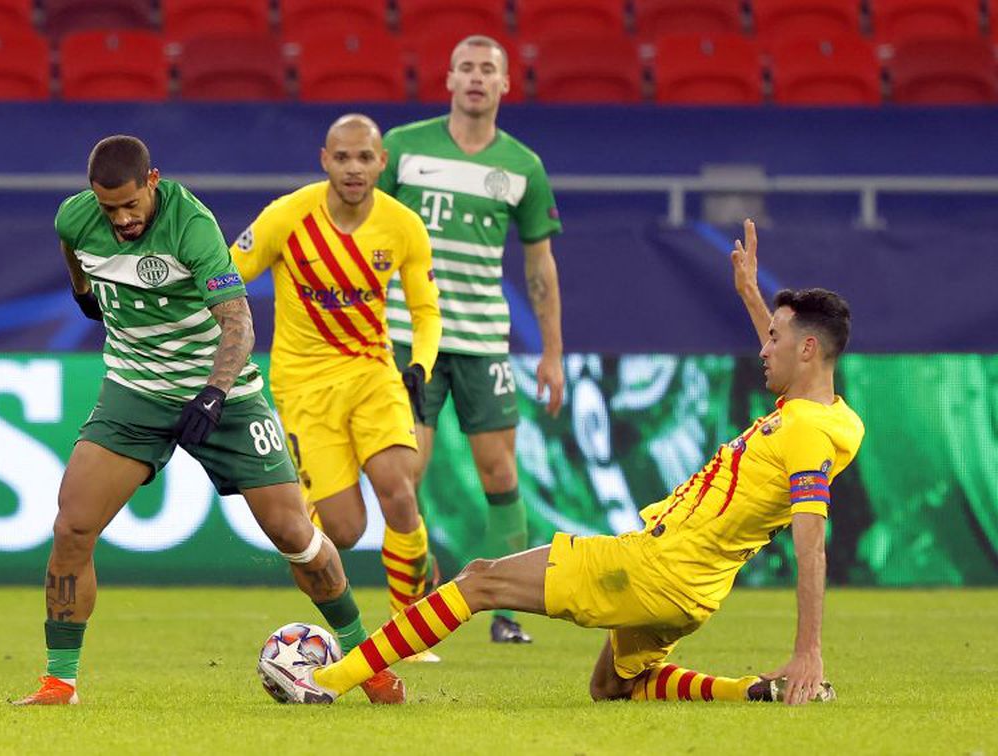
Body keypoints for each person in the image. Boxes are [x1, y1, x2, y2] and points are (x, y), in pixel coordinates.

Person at [261, 219, 866, 707]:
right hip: (694, 591)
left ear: (808, 349)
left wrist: (808, 651)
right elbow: (793, 372)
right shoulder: (829, 418)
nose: (763, 349)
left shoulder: (807, 433)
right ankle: (752, 691)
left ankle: (330, 680)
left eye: (775, 340)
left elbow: (811, 544)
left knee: (479, 580)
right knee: (611, 687)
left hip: (653, 568)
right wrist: (751, 297)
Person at [12, 135, 403, 705]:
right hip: (135, 390)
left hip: (225, 394)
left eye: (130, 205)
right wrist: (82, 292)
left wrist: (214, 394)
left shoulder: (191, 225)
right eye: (108, 208)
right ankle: (59, 681)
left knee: (293, 534)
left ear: (152, 182)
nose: (121, 219)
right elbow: (73, 247)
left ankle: (367, 660)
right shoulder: (75, 217)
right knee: (72, 528)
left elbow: (239, 322)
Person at [378, 34, 565, 644]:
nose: (477, 77)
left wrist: (552, 352)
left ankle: (506, 609)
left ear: (506, 83)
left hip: (484, 338)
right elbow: (362, 230)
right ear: (449, 79)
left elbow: (539, 265)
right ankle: (412, 599)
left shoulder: (522, 166)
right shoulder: (402, 148)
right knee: (406, 472)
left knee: (499, 471)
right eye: (467, 67)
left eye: (488, 69)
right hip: (410, 335)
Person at [230, 115, 443, 639]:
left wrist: (420, 364)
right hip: (304, 386)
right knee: (346, 530)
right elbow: (228, 276)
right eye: (343, 157)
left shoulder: (402, 225)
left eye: (364, 157)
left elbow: (426, 311)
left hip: (373, 373)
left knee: (399, 491)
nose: (353, 168)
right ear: (325, 160)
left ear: (381, 163)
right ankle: (316, 545)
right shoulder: (287, 216)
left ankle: (409, 632)